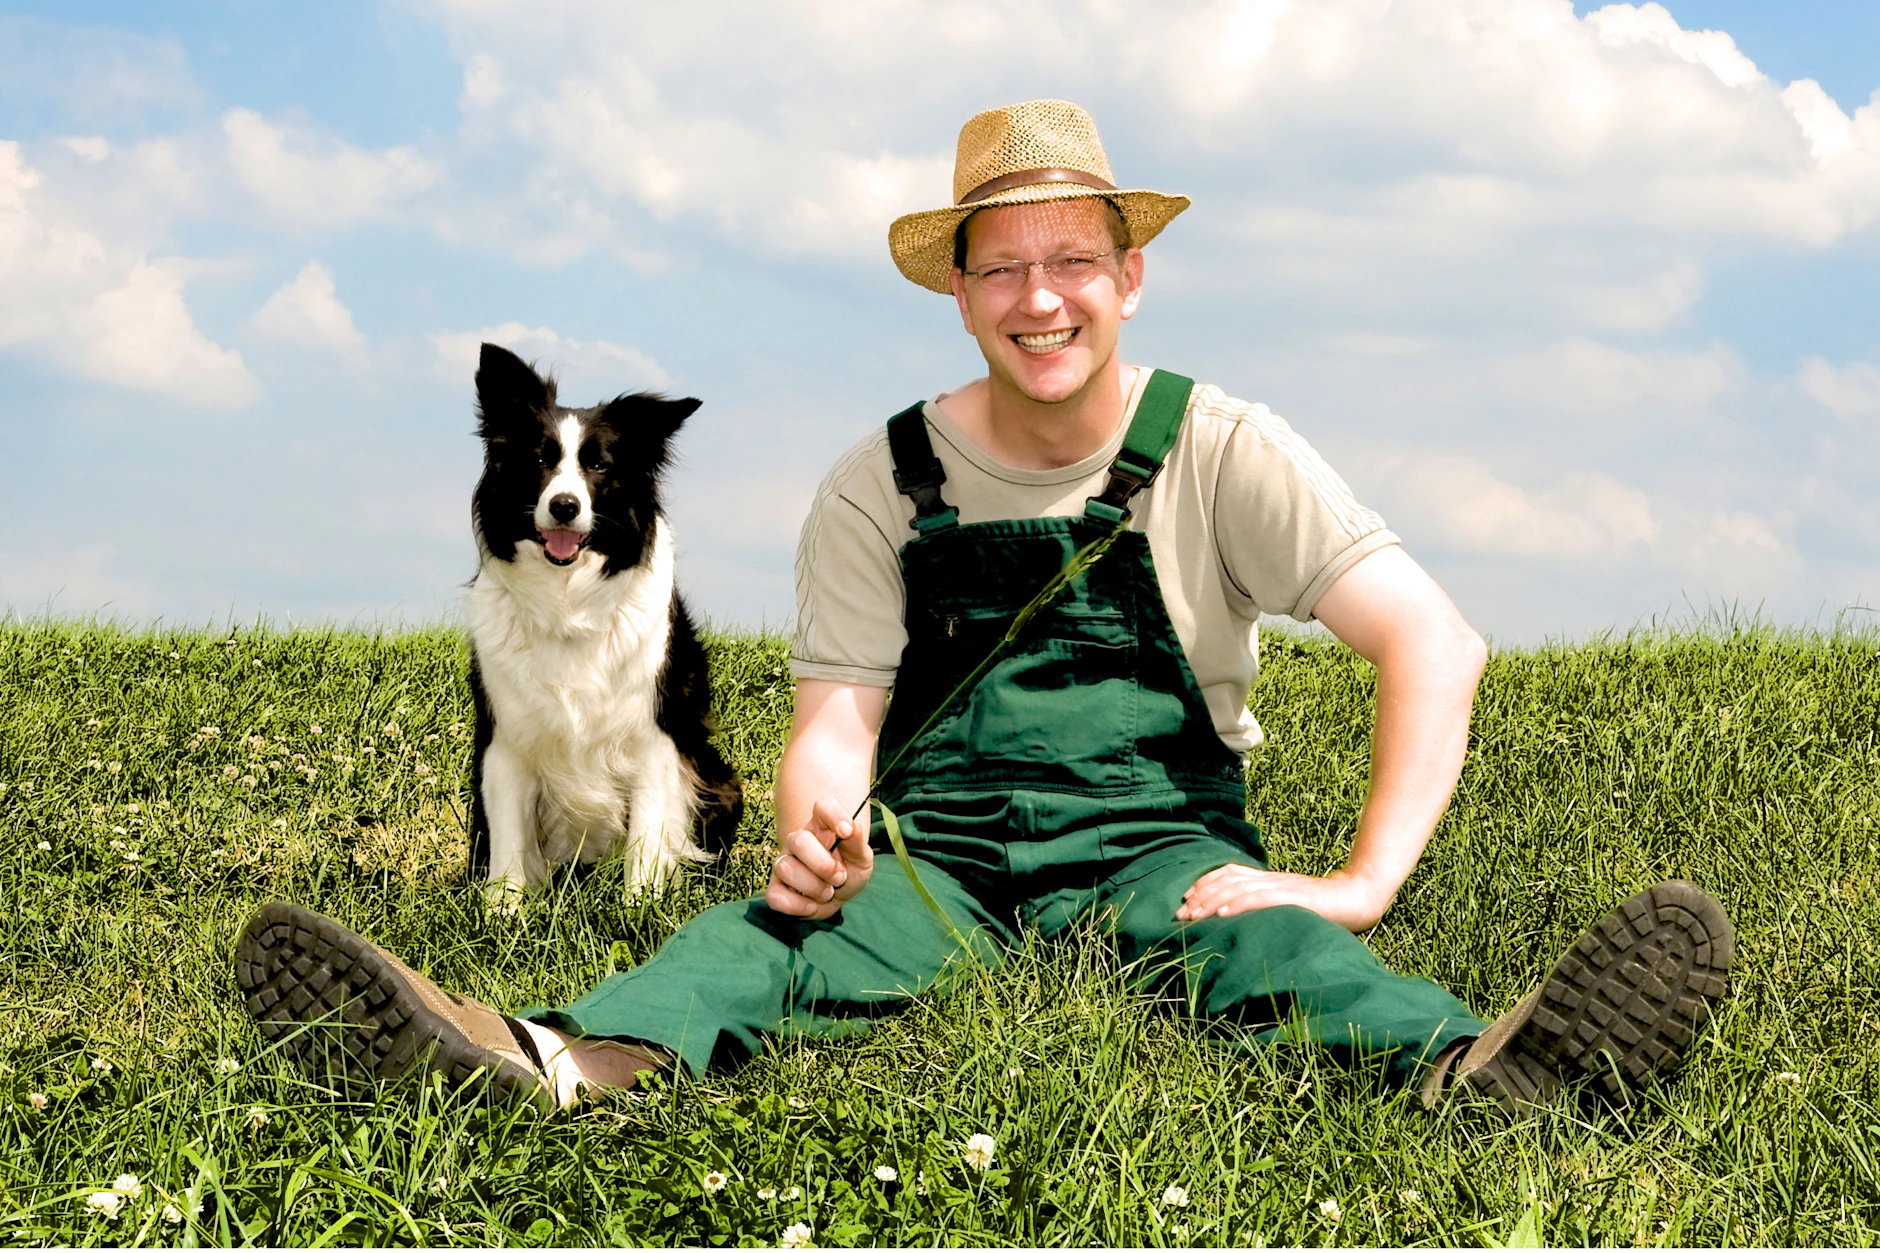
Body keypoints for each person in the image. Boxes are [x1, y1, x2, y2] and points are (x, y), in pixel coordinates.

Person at [236, 99, 1731, 1115]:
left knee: (1275, 956)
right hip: (939, 851)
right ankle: (551, 1060)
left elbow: (1436, 642)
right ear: (957, 291)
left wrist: (1356, 883)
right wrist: (820, 823)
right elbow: (837, 720)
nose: (1041, 298)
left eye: (1074, 259)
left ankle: (1484, 1070)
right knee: (767, 938)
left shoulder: (1218, 446)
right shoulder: (877, 479)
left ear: (1130, 275)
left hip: (1158, 841)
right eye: (1003, 267)